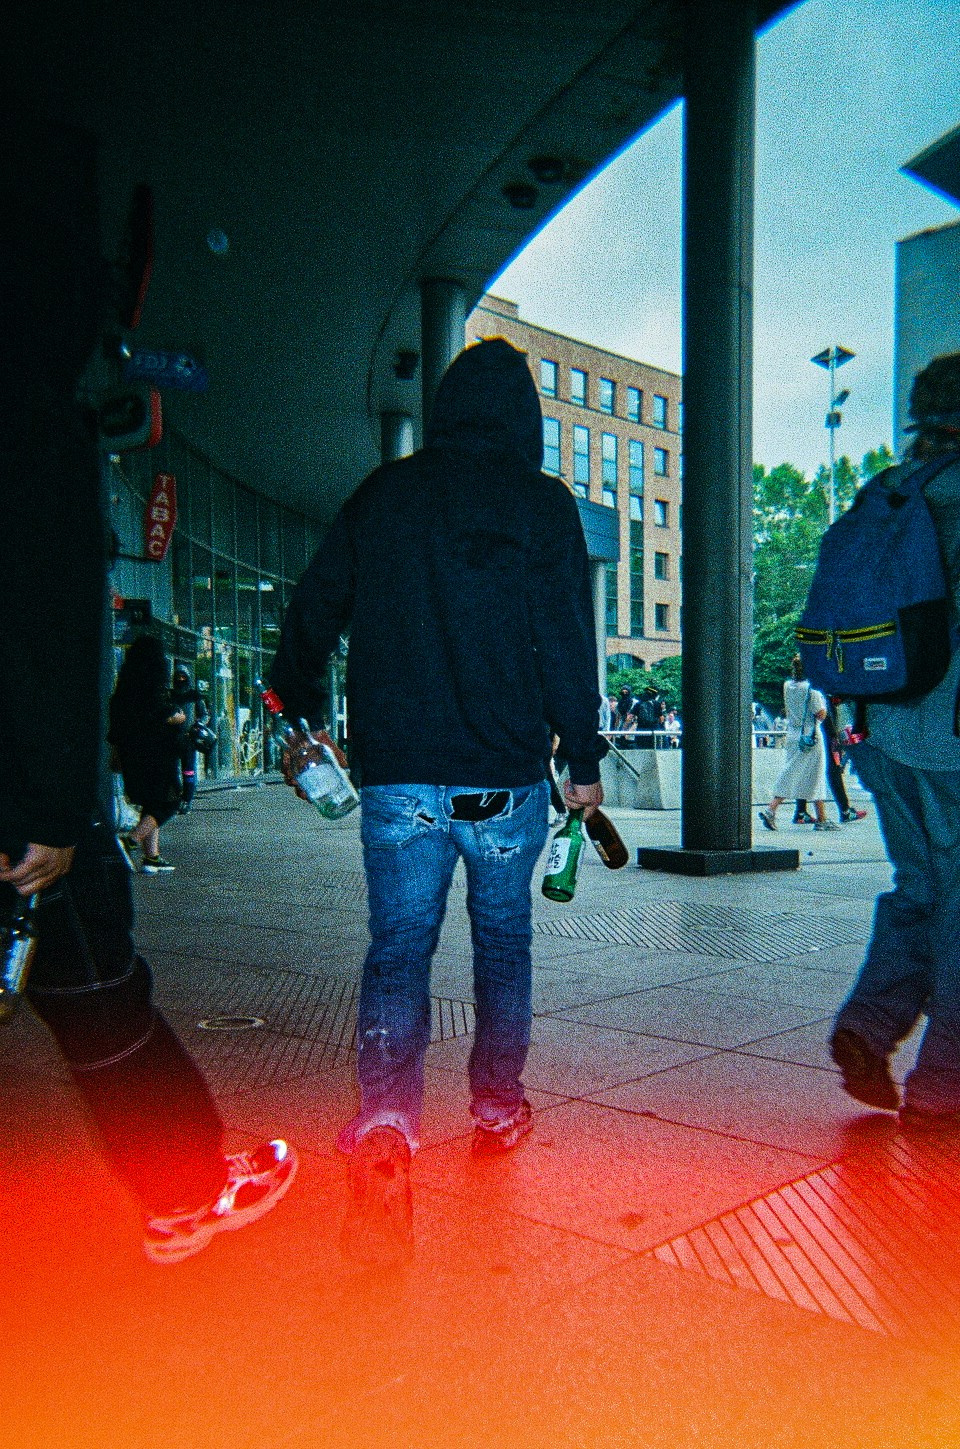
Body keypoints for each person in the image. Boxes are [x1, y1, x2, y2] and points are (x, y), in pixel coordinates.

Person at [0, 110, 296, 1263]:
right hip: (25, 801)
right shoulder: (32, 431)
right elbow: (35, 632)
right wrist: (47, 809)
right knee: (95, 987)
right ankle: (183, 1187)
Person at [270, 338, 605, 1232]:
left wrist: (296, 698)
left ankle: (384, 1120)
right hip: (504, 777)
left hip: (402, 777)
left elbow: (314, 606)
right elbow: (570, 637)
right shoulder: (543, 506)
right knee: (503, 946)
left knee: (397, 948)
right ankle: (496, 1104)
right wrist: (583, 758)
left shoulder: (387, 493)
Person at [829, 353, 960, 1132]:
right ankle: (945, 1083)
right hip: (951, 734)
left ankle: (867, 1028)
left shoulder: (884, 492)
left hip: (882, 731)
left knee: (920, 889)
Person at [108, 636, 185, 873]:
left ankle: (152, 857)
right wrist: (178, 716)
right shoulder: (154, 691)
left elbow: (116, 730)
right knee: (169, 803)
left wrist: (116, 755)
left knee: (150, 805)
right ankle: (130, 840)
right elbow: (167, 716)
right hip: (158, 757)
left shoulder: (122, 694)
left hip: (132, 757)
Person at [757, 655, 839, 832]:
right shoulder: (813, 690)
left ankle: (821, 817)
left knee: (796, 771)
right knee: (811, 775)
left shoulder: (788, 686)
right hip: (811, 737)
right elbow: (821, 714)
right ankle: (772, 808)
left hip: (793, 735)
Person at [794, 698, 867, 825]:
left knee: (806, 771)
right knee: (834, 771)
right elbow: (824, 714)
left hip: (805, 735)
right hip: (822, 737)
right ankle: (845, 811)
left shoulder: (792, 687)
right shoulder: (817, 691)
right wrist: (834, 736)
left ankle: (801, 811)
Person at [171, 664, 210, 813]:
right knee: (173, 772)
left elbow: (205, 714)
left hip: (188, 739)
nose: (180, 679)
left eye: (183, 676)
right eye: (178, 676)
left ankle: (187, 800)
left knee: (188, 772)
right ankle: (176, 798)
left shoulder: (194, 695)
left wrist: (198, 725)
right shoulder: (170, 695)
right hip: (172, 739)